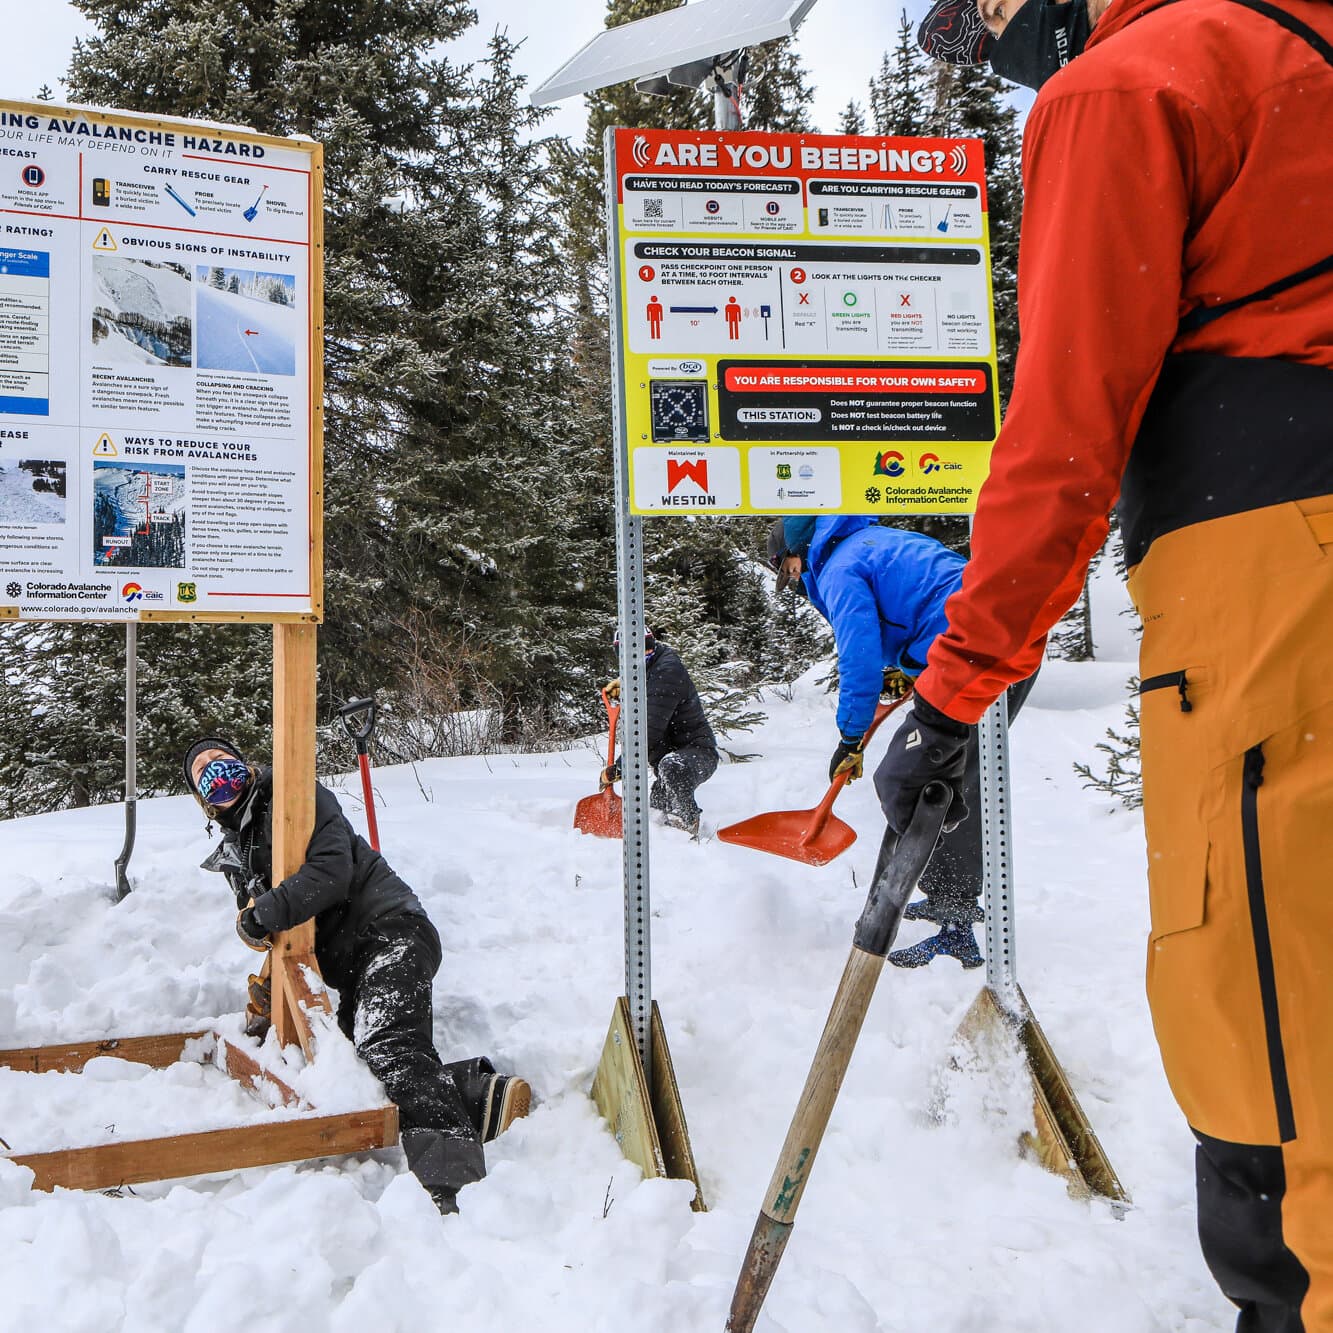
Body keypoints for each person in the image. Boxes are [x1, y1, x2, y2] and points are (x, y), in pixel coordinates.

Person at [887, 0, 1333, 1325]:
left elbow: (1066, 422)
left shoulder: (1128, 86)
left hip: (1270, 568)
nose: (981, 41)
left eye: (976, 16)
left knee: (1265, 998)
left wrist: (958, 683)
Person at [183, 737, 530, 1215]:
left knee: (389, 1044)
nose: (214, 769)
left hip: (391, 931)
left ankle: (456, 1193)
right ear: (203, 801)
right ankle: (480, 1091)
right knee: (355, 1073)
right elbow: (271, 925)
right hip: (351, 967)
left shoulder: (294, 795)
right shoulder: (235, 855)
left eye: (220, 759)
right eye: (201, 770)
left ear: (244, 764)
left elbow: (330, 873)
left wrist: (260, 913)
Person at [767, 516, 1038, 967]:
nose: (793, 581)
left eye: (788, 569)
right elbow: (923, 603)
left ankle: (953, 924)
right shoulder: (870, 542)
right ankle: (948, 897)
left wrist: (851, 736)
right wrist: (912, 669)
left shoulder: (838, 567)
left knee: (919, 783)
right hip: (989, 644)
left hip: (978, 655)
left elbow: (859, 654)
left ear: (800, 550)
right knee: (938, 778)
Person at [602, 627, 718, 837]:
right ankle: (667, 842)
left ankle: (688, 826)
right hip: (669, 759)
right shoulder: (645, 671)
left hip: (696, 753)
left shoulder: (668, 671)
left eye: (647, 650)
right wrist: (623, 686)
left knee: (672, 768)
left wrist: (621, 766)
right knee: (658, 805)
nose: (644, 656)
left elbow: (648, 731)